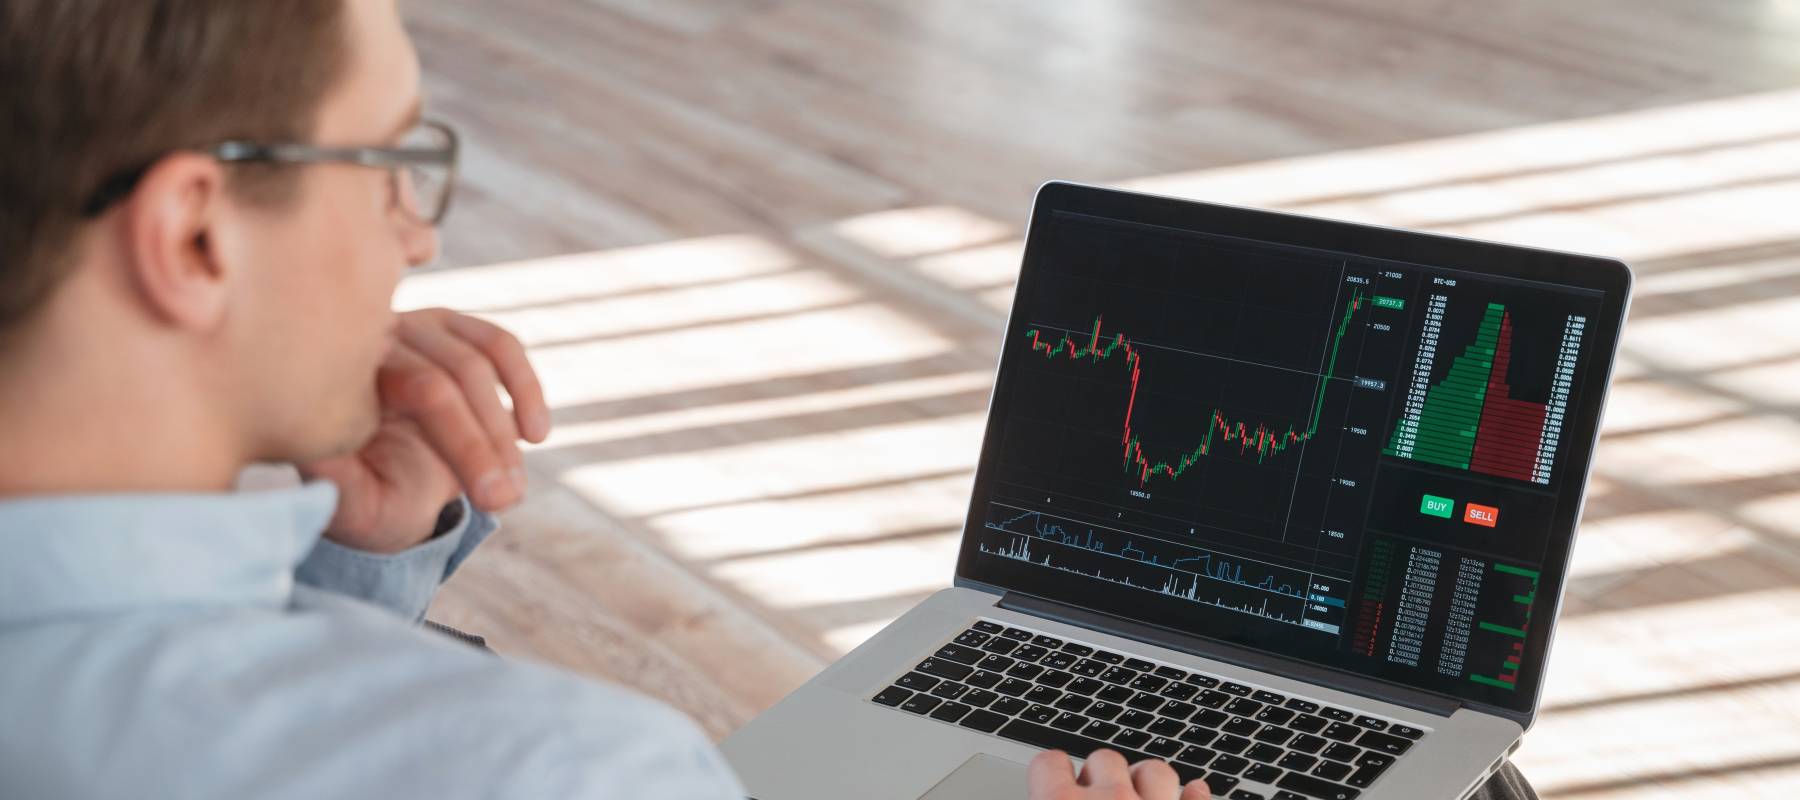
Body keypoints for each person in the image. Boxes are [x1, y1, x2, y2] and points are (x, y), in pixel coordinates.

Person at [0, 2, 1540, 798]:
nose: (420, 233)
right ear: (195, 233)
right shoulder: (560, 773)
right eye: (397, 161)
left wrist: (349, 567)